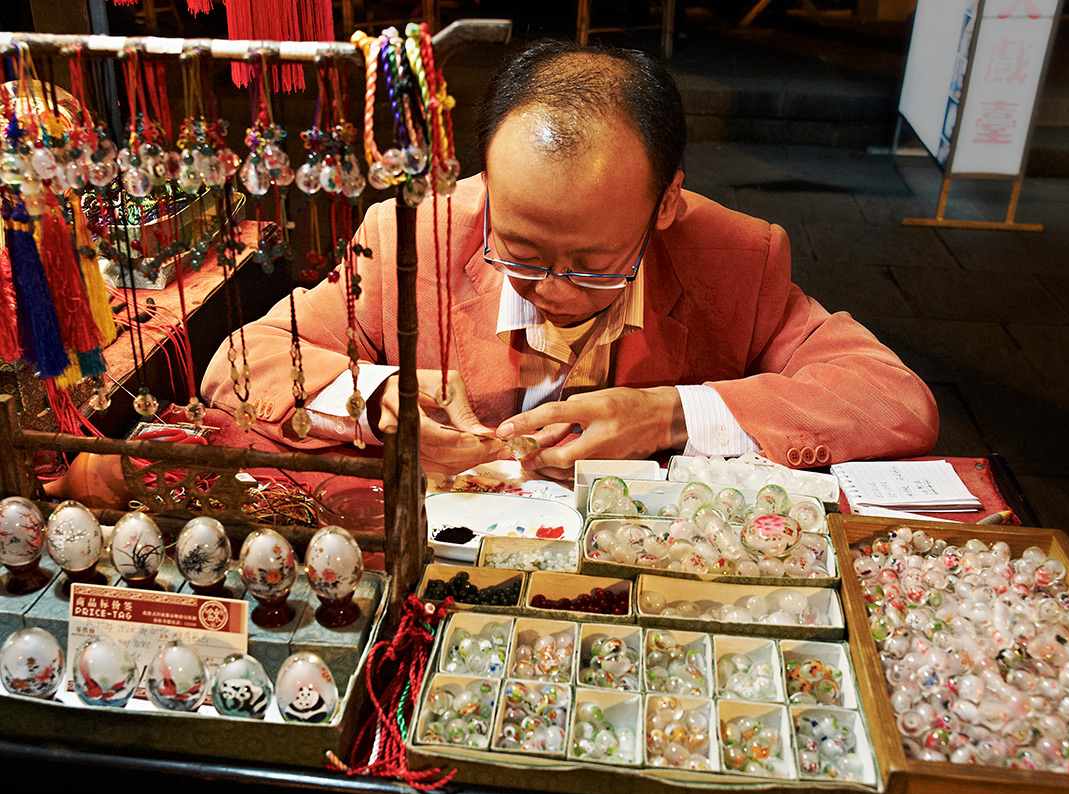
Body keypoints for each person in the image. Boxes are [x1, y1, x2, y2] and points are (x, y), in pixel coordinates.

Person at [201, 41, 938, 478]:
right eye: (519, 253)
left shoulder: (735, 257)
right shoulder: (414, 234)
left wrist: (670, 416)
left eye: (593, 263)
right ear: (488, 190)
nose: (552, 289)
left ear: (666, 203)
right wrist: (378, 401)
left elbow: (891, 398)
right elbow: (242, 360)